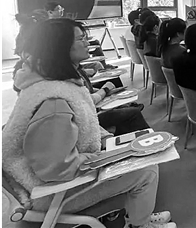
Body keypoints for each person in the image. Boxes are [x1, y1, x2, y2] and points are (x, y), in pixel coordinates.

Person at [3, 18, 176, 228]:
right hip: (52, 194)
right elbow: (55, 170)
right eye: (80, 39)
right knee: (146, 171)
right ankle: (140, 224)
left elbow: (83, 123)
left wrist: (108, 143)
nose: (87, 42)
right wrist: (101, 158)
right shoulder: (54, 102)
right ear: (61, 48)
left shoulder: (55, 84)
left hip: (63, 177)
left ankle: (139, 215)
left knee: (137, 153)